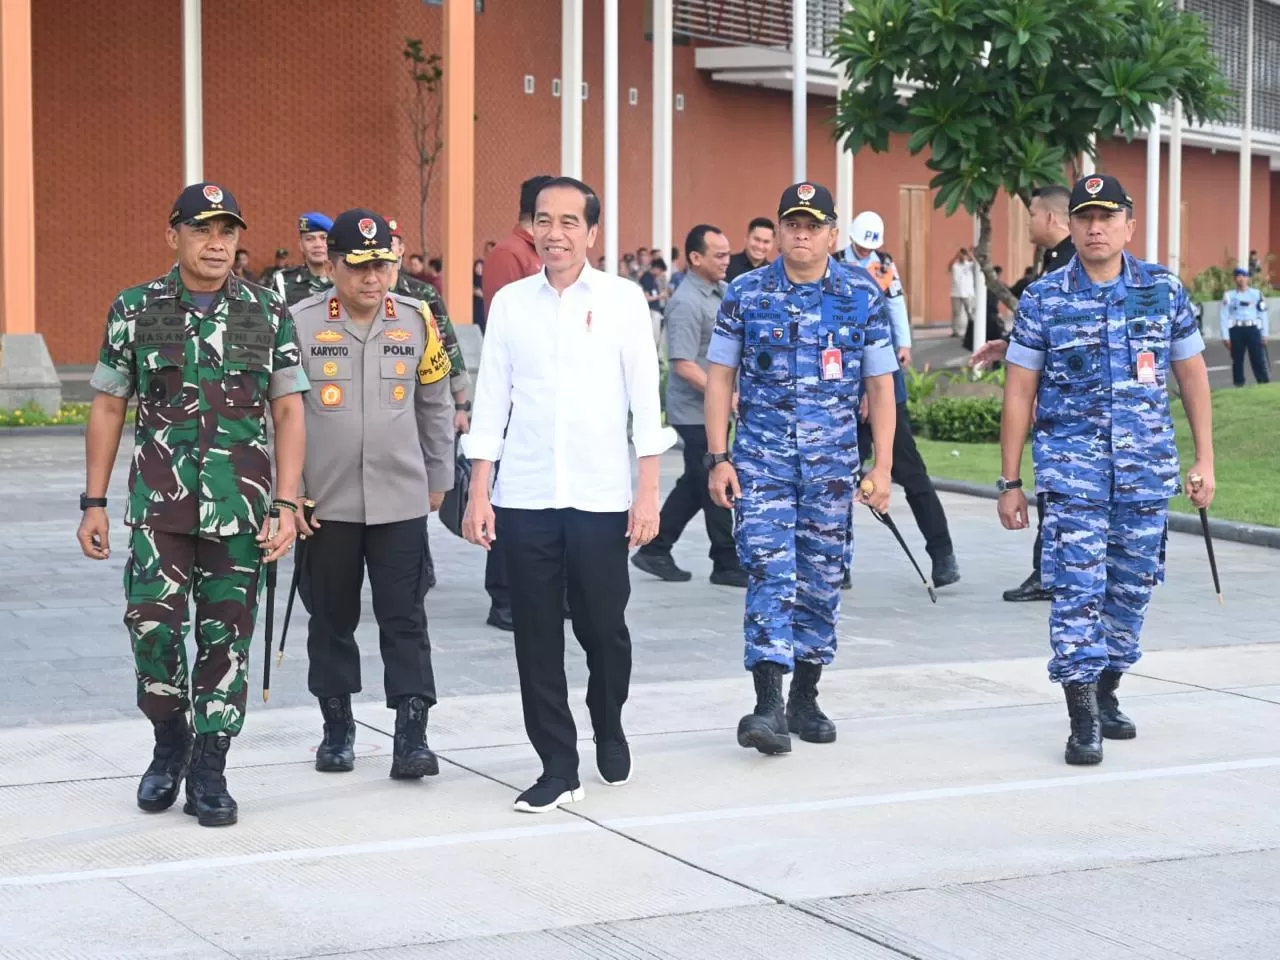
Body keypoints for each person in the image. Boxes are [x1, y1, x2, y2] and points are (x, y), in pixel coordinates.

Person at [76, 182, 308, 826]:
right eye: (203, 230)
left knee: (225, 637)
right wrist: (93, 500)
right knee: (150, 625)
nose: (217, 243)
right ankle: (169, 737)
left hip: (241, 508)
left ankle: (210, 764)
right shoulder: (137, 307)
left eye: (228, 232)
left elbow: (288, 411)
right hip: (160, 508)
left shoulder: (267, 311)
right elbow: (108, 404)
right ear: (172, 235)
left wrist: (286, 504)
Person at [462, 176, 672, 813]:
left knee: (604, 630)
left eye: (569, 223)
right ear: (531, 226)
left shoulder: (622, 301)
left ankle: (608, 722)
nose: (555, 233)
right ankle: (558, 763)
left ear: (592, 232)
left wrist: (648, 494)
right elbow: (492, 400)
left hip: (602, 498)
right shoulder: (510, 304)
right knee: (534, 638)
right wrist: (480, 492)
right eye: (543, 221)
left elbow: (645, 401)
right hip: (524, 497)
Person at [998, 174, 1215, 766]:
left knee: (1131, 587)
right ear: (1070, 224)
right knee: (1077, 589)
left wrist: (1204, 459)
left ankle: (1108, 688)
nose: (1096, 227)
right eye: (1085, 217)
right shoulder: (1045, 298)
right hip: (1074, 476)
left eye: (1107, 217)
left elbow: (1192, 378)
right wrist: (1011, 482)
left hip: (1145, 473)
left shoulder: (1162, 291)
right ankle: (1081, 714)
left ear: (1129, 226)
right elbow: (1019, 393)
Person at [705, 182, 898, 756]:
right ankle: (767, 702)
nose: (802, 234)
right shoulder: (746, 292)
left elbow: (880, 385)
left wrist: (883, 465)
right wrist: (718, 457)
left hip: (832, 470)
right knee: (769, 571)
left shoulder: (862, 297)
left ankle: (805, 696)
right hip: (761, 464)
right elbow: (719, 378)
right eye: (793, 223)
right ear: (781, 229)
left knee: (821, 579)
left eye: (813, 225)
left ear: (833, 234)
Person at [290, 209, 454, 781]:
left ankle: (412, 735)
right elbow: (277, 415)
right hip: (324, 505)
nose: (372, 277)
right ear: (332, 264)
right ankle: (337, 730)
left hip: (400, 500)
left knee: (405, 618)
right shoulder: (300, 323)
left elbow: (435, 404)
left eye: (382, 264)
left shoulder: (417, 319)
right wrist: (289, 494)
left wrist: (439, 479)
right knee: (330, 619)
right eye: (358, 266)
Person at [837, 210, 960, 590]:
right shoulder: (834, 269)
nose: (865, 251)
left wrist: (903, 346)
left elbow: (894, 311)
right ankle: (836, 563)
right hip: (843, 391)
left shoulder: (885, 268)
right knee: (838, 478)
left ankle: (943, 555)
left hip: (886, 387)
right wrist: (860, 390)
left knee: (911, 472)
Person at [973, 184, 1076, 604]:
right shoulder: (1055, 263)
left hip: (1066, 407)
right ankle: (1047, 569)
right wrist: (1011, 348)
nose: (1030, 221)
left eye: (1033, 214)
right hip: (1051, 396)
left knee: (1058, 491)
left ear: (1051, 218)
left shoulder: (1070, 266)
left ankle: (1051, 572)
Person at [632, 224, 746, 587]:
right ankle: (726, 561)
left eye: (728, 253)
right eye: (719, 255)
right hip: (694, 411)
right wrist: (724, 397)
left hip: (714, 408)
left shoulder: (723, 293)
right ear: (696, 258)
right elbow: (682, 364)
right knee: (714, 477)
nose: (727, 260)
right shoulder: (685, 301)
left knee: (696, 482)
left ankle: (655, 548)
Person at [479, 173, 555, 632]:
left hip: (548, 400)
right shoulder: (509, 254)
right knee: (508, 501)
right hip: (515, 396)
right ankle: (503, 595)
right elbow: (498, 330)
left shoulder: (543, 254)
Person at [1220, 266, 1270, 386]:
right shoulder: (1229, 296)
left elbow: (1263, 314)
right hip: (1236, 329)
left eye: (1243, 276)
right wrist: (1225, 336)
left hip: (1253, 328)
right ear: (1235, 279)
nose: (1241, 279)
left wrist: (1265, 333)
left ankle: (1263, 382)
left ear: (1248, 279)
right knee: (1237, 359)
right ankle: (1239, 384)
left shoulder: (1257, 294)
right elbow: (1223, 316)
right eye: (1238, 276)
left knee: (1257, 357)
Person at [277, 212, 335, 305]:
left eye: (324, 238)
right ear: (301, 245)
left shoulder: (345, 280)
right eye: (309, 239)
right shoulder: (283, 280)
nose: (318, 245)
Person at [725, 217, 776, 283]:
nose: (760, 246)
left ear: (772, 244)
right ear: (746, 238)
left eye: (766, 242)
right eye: (757, 239)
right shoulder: (726, 265)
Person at [948, 248, 977, 339]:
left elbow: (977, 265)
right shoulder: (955, 265)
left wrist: (969, 255)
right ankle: (955, 331)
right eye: (961, 254)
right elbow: (949, 267)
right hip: (955, 293)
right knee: (956, 313)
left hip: (968, 293)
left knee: (970, 313)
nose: (962, 256)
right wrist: (956, 256)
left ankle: (972, 331)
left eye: (963, 254)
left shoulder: (969, 265)